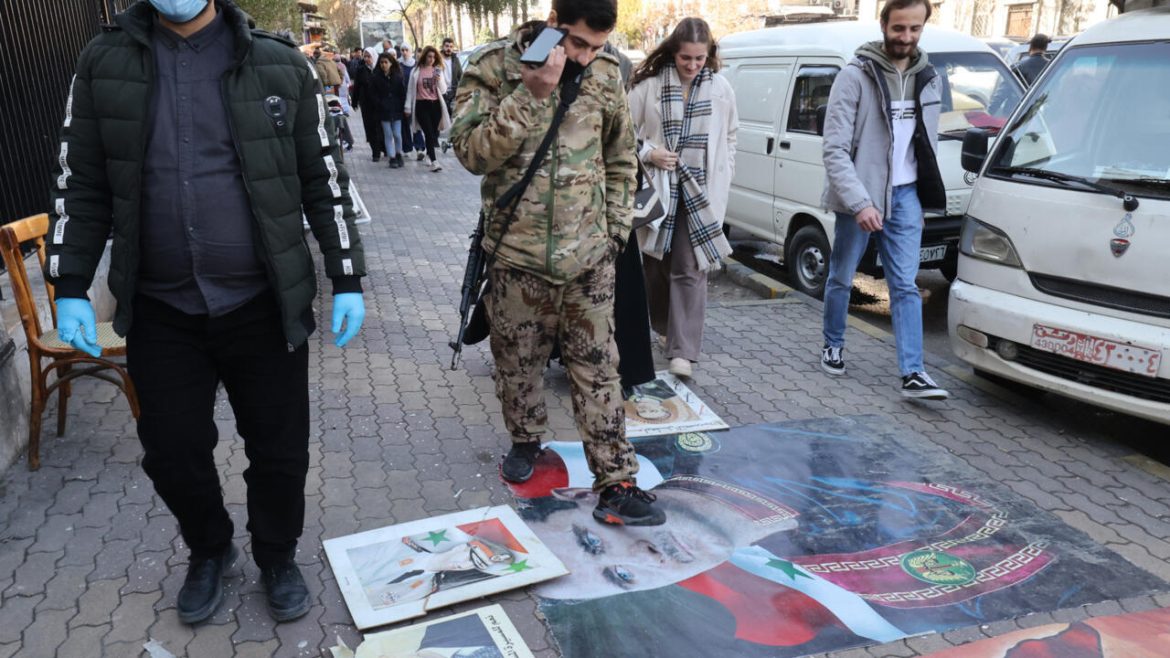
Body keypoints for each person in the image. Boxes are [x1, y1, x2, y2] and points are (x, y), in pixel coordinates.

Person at [46, 0, 367, 624]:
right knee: (171, 448)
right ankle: (210, 548)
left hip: (263, 301)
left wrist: (346, 276)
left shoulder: (276, 64)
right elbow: (80, 181)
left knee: (279, 450)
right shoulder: (104, 62)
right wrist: (70, 284)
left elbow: (321, 180)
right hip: (162, 305)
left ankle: (276, 554)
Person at [451, 0, 666, 526]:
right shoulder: (494, 66)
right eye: (576, 42)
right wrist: (530, 94)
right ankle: (525, 440)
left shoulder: (608, 71)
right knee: (518, 361)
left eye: (596, 46)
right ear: (553, 23)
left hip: (589, 259)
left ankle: (616, 479)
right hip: (516, 258)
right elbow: (471, 152)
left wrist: (615, 232)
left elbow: (621, 160)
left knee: (599, 371)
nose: (586, 56)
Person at [820, 0, 950, 400]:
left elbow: (925, 146)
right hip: (860, 194)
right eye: (899, 29)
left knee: (906, 285)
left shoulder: (929, 78)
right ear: (883, 25)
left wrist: (923, 205)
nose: (906, 38)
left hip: (907, 196)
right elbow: (834, 150)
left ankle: (913, 372)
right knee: (842, 275)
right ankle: (833, 343)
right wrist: (860, 203)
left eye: (915, 29)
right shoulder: (854, 76)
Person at [628, 18, 737, 380]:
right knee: (655, 268)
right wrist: (650, 153)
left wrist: (726, 171)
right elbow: (620, 133)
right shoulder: (649, 86)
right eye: (685, 58)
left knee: (690, 269)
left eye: (699, 59)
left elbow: (731, 136)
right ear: (673, 53)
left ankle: (683, 352)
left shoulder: (721, 89)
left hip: (700, 195)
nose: (692, 66)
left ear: (709, 56)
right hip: (658, 190)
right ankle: (664, 328)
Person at [405, 45, 450, 172]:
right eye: (429, 56)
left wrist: (439, 80)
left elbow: (443, 90)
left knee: (434, 133)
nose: (431, 59)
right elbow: (410, 90)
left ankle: (429, 154)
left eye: (434, 57)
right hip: (421, 105)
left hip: (435, 105)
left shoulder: (437, 70)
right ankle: (435, 161)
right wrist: (407, 107)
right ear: (424, 56)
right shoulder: (416, 71)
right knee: (429, 133)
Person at [371, 52, 407, 168]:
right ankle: (392, 157)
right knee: (388, 134)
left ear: (391, 63)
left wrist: (402, 106)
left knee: (397, 134)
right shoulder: (376, 77)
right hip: (383, 111)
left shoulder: (398, 76)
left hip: (396, 110)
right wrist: (380, 104)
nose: (383, 65)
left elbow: (402, 93)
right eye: (381, 62)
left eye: (386, 62)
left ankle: (398, 154)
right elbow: (373, 94)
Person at [352, 47, 386, 162]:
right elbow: (356, 86)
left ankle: (384, 147)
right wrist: (354, 101)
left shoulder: (380, 68)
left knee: (381, 127)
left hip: (379, 103)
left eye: (369, 56)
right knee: (370, 127)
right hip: (366, 103)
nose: (367, 59)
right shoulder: (361, 70)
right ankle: (375, 152)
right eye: (365, 56)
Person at [398, 43, 427, 160]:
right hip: (401, 98)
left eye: (406, 50)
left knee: (416, 123)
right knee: (404, 125)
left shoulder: (416, 65)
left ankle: (420, 147)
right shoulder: (398, 65)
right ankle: (407, 148)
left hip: (416, 98)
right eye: (402, 50)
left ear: (410, 51)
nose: (404, 52)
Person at [440, 37, 463, 115]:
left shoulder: (455, 59)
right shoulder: (437, 59)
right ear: (443, 47)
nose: (448, 49)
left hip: (453, 92)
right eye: (446, 46)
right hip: (441, 93)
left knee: (453, 115)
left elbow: (461, 75)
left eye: (451, 47)